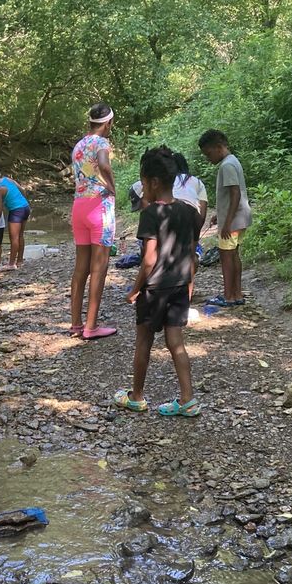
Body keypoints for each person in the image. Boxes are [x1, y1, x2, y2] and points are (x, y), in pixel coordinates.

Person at [113, 146, 202, 417]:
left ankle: (137, 396)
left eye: (142, 182)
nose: (142, 188)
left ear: (153, 182)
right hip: (178, 286)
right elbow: (190, 253)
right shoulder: (188, 211)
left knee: (143, 342)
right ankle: (187, 400)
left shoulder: (151, 214)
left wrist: (135, 289)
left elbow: (149, 260)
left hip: (154, 290)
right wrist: (188, 286)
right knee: (176, 343)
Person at [69, 102, 117, 340]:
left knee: (81, 268)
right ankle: (91, 327)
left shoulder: (79, 145)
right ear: (107, 123)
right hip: (99, 206)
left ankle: (76, 323)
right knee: (100, 267)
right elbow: (104, 165)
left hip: (79, 205)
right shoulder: (102, 143)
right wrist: (112, 187)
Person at [197, 129, 251, 306]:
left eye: (209, 153)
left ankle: (228, 296)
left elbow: (235, 194)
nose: (208, 158)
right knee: (234, 255)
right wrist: (219, 216)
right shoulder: (233, 161)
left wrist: (226, 222)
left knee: (226, 257)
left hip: (232, 222)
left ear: (219, 147)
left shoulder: (227, 165)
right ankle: (237, 294)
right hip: (239, 218)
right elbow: (231, 196)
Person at [172, 151, 208, 299]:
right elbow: (203, 211)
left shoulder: (166, 180)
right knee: (190, 256)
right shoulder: (197, 182)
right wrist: (196, 233)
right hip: (192, 216)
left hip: (170, 214)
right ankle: (187, 296)